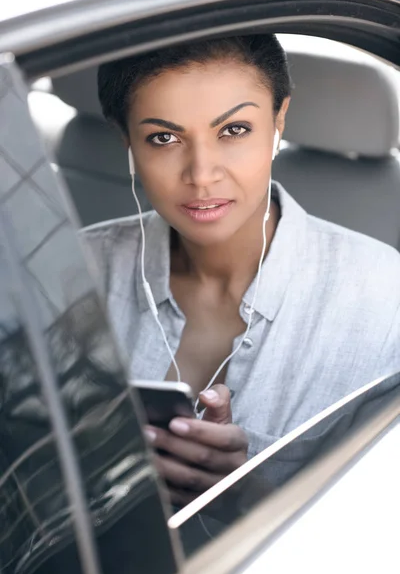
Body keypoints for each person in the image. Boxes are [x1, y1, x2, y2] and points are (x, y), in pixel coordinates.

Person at [84, 34, 400, 506]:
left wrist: (243, 495)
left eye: (233, 130)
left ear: (279, 121)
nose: (202, 173)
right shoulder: (74, 272)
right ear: (126, 140)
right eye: (163, 138)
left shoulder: (385, 304)